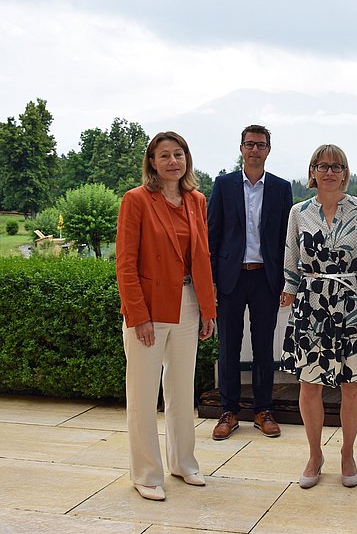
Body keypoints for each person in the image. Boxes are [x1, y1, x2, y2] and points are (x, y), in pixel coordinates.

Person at [116, 131, 217, 501]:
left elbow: (202, 258)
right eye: (164, 156)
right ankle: (145, 474)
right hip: (151, 307)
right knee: (142, 395)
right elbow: (125, 263)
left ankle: (183, 463)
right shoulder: (136, 200)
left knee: (181, 389)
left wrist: (208, 308)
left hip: (188, 304)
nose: (173, 161)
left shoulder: (196, 200)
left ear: (187, 159)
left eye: (179, 154)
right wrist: (137, 315)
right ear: (152, 163)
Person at [280, 144, 357, 489]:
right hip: (311, 304)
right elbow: (291, 260)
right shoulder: (299, 212)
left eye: (336, 166)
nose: (328, 172)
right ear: (312, 172)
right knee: (309, 384)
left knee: (351, 384)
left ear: (345, 172)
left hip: (351, 303)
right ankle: (314, 454)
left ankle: (347, 453)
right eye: (322, 166)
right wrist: (290, 296)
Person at [208, 124, 292, 440]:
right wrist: (212, 282)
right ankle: (228, 412)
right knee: (228, 346)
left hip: (266, 279)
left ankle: (262, 410)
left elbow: (288, 240)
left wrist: (287, 281)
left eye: (260, 145)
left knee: (262, 348)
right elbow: (212, 235)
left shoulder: (281, 189)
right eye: (249, 144)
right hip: (231, 279)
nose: (254, 150)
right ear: (241, 148)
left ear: (268, 149)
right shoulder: (224, 185)